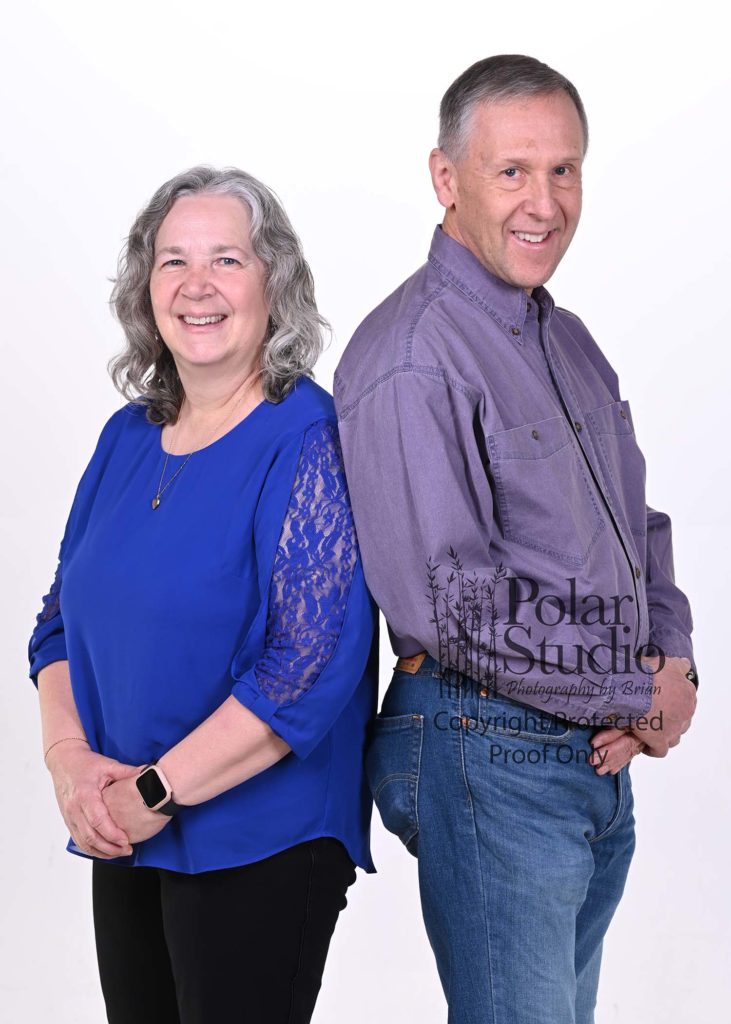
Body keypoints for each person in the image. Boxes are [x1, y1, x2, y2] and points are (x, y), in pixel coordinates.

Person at [334, 55, 698, 1024]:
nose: (544, 202)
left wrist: (673, 664)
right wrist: (636, 691)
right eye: (511, 171)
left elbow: (639, 527)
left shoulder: (564, 339)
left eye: (563, 169)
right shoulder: (414, 355)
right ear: (445, 178)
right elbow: (452, 604)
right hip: (485, 746)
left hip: (585, 751)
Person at [28, 165, 378, 1024]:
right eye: (173, 261)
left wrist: (154, 792)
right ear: (144, 289)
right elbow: (58, 624)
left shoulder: (311, 440)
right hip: (120, 825)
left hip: (260, 840)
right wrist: (71, 763)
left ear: (274, 282)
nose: (197, 285)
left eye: (226, 259)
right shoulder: (125, 438)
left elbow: (305, 670)